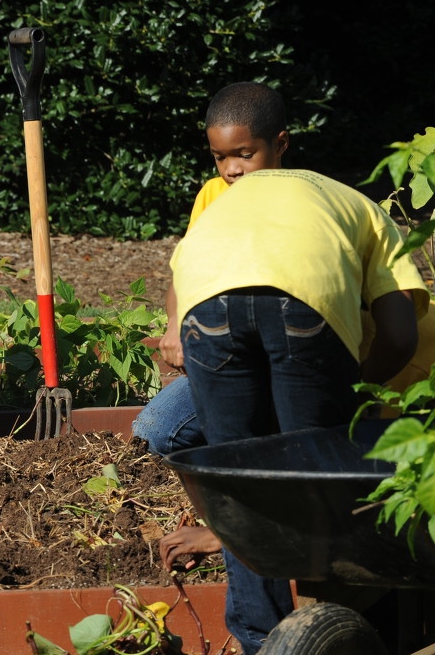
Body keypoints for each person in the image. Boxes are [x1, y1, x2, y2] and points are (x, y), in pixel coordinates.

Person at [169, 167, 428, 655]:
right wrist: (360, 385)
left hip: (201, 293)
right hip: (303, 296)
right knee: (318, 474)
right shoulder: (365, 210)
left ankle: (261, 642)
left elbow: (184, 268)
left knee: (238, 479)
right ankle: (343, 626)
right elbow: (399, 335)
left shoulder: (224, 198)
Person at [134, 82, 289, 455]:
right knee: (152, 432)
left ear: (280, 144)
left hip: (287, 356)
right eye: (220, 157)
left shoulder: (301, 199)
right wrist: (175, 326)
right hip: (227, 354)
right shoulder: (212, 195)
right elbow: (186, 269)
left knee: (293, 441)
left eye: (245, 154)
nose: (231, 169)